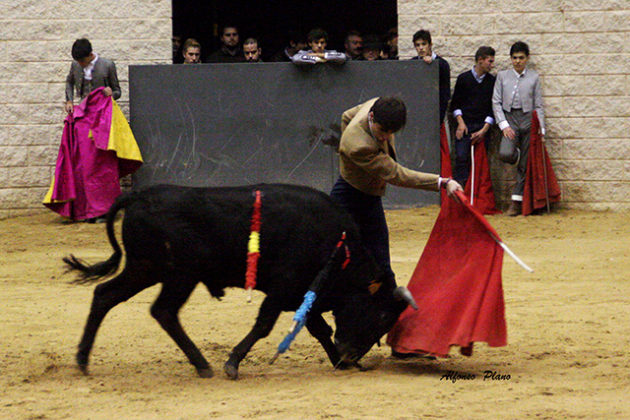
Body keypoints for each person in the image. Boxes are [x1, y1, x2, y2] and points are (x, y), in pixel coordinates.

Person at [330, 97, 463, 289]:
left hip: (367, 193)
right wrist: (442, 182)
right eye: (382, 131)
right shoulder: (358, 145)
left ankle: (386, 298)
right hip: (352, 196)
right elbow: (397, 175)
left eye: (392, 132)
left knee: (379, 255)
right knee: (336, 251)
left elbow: (346, 116)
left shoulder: (376, 105)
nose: (386, 137)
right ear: (373, 117)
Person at [492, 41, 545, 216]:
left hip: (528, 119)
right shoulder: (502, 76)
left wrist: (541, 129)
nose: (517, 61)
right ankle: (518, 152)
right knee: (505, 153)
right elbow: (496, 102)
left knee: (524, 166)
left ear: (527, 58)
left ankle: (516, 203)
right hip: (510, 118)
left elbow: (538, 105)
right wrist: (503, 124)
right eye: (514, 58)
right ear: (510, 59)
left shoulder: (534, 77)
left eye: (521, 58)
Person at [450, 46, 496, 187]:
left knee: (480, 163)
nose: (492, 65)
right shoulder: (463, 79)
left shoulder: (492, 81)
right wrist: (461, 123)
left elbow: (493, 108)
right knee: (461, 158)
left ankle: (477, 196)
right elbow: (455, 104)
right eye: (490, 61)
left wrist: (484, 130)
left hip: (482, 128)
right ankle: (460, 192)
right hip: (465, 126)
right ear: (480, 60)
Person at [65, 38, 120, 115]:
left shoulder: (108, 65)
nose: (80, 64)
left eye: (82, 61)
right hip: (83, 111)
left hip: (103, 112)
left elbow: (117, 91)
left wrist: (111, 95)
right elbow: (69, 82)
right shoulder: (75, 64)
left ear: (90, 55)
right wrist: (69, 101)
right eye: (78, 61)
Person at [411, 30, 450, 124]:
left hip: (436, 112)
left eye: (424, 44)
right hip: (417, 112)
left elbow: (445, 92)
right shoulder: (412, 63)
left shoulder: (442, 64)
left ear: (430, 44)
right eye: (417, 45)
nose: (421, 48)